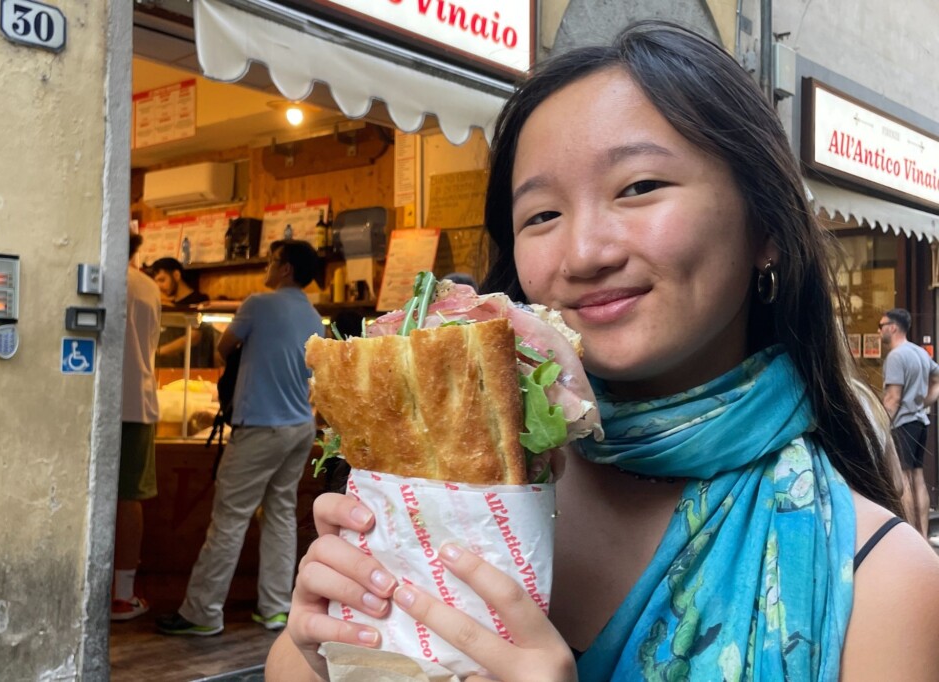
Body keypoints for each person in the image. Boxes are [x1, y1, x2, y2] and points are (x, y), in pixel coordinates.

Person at [266, 22, 939, 681]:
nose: (584, 253)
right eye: (542, 215)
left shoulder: (881, 582)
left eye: (639, 187)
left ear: (765, 225)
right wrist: (325, 649)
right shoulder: (453, 492)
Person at [156, 239, 324, 636]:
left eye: (272, 260)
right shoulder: (315, 317)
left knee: (230, 519)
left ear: (285, 269)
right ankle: (276, 608)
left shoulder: (257, 304)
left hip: (261, 428)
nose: (267, 265)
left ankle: (202, 612)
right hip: (300, 427)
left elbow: (223, 347)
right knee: (281, 516)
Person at [112, 231, 163, 621]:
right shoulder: (147, 285)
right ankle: (123, 594)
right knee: (129, 497)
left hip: (96, 403)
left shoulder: (99, 276)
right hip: (138, 401)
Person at [879, 308, 939, 537]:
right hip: (920, 421)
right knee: (918, 477)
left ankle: (908, 536)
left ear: (893, 327)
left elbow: (893, 398)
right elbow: (937, 380)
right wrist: (923, 402)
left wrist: (881, 426)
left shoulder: (896, 356)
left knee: (902, 479)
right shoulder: (919, 353)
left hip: (902, 423)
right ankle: (922, 535)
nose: (880, 330)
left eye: (881, 325)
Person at [150, 257, 216, 368]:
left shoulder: (199, 300)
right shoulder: (166, 302)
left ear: (176, 275)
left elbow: (195, 336)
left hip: (190, 367)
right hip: (166, 367)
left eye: (162, 280)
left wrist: (158, 352)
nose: (158, 286)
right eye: (156, 282)